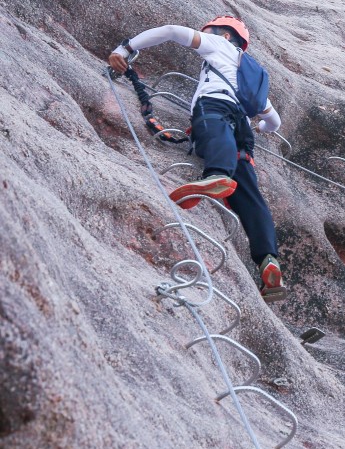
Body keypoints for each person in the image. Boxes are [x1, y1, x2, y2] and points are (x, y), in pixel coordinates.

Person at [109, 15, 286, 301]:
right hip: (243, 125)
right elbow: (273, 121)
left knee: (213, 127)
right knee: (250, 194)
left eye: (211, 31)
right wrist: (260, 128)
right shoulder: (250, 73)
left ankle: (217, 175)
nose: (206, 35)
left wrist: (126, 48)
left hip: (216, 104)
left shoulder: (219, 45)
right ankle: (268, 260)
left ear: (226, 35)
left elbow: (171, 31)